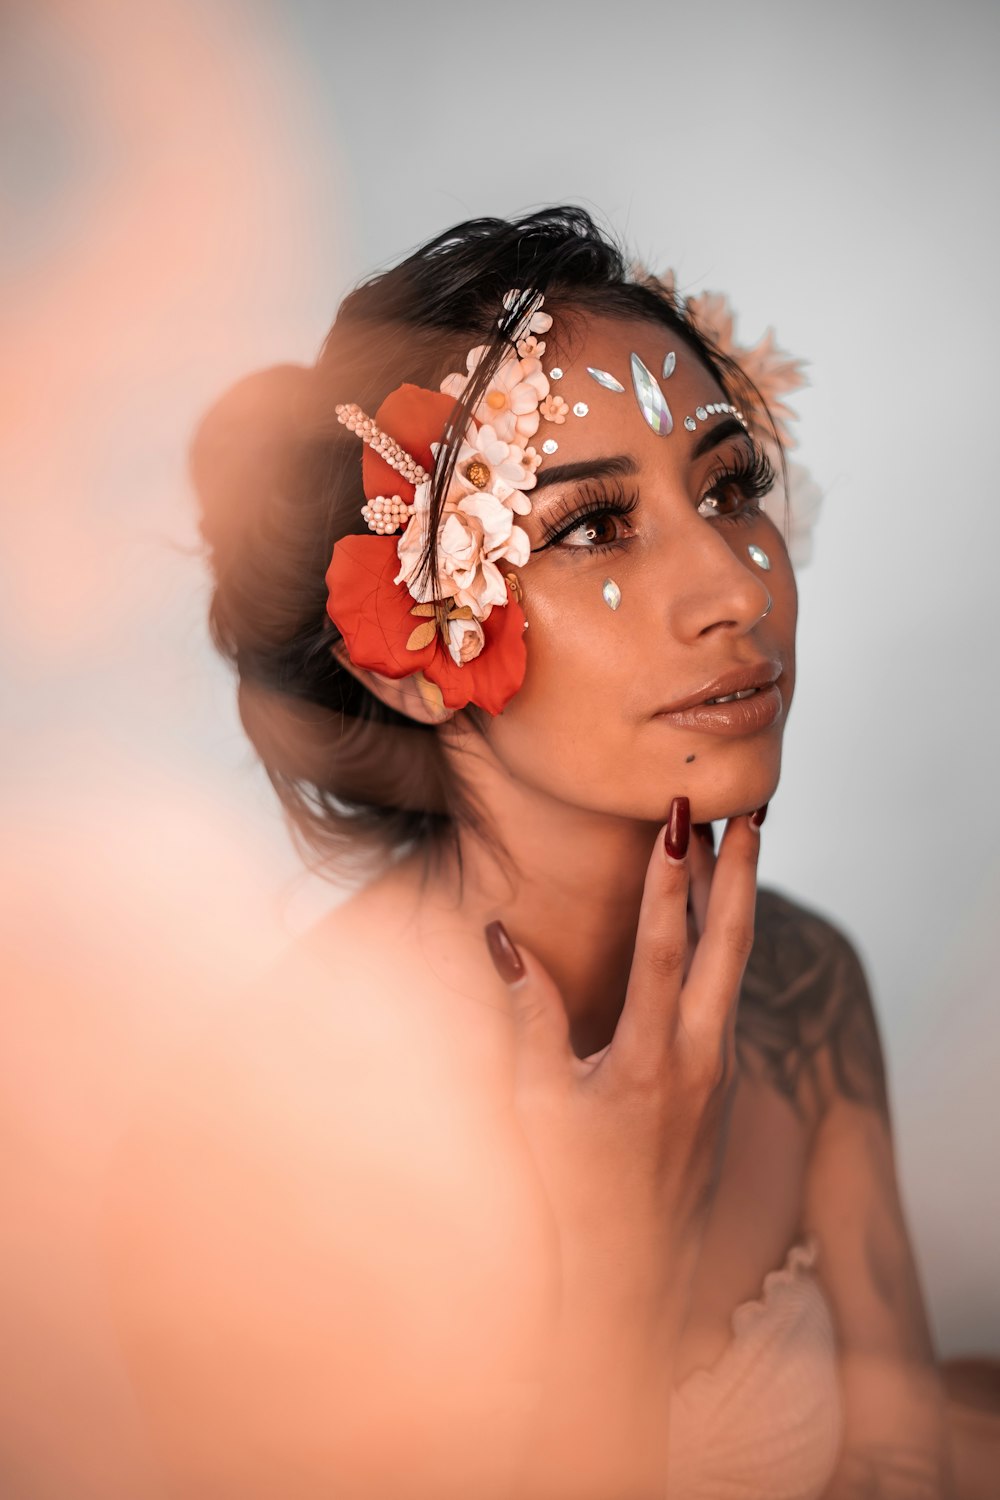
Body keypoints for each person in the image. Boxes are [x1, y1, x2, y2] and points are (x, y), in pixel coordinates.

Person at [102, 207, 989, 1499]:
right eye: (590, 527)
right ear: (406, 667)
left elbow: (901, 1450)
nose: (740, 590)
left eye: (730, 487)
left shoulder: (802, 991)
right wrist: (614, 1276)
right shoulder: (252, 1167)